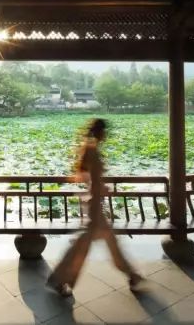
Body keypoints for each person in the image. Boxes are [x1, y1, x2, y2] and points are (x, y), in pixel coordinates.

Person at [47, 118, 143, 297]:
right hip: (95, 206)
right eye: (105, 131)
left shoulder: (90, 149)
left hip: (95, 203)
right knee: (89, 246)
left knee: (96, 244)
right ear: (100, 132)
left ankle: (132, 275)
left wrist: (101, 188)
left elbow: (91, 178)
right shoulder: (92, 151)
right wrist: (100, 190)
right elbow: (93, 179)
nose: (106, 135)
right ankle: (59, 279)